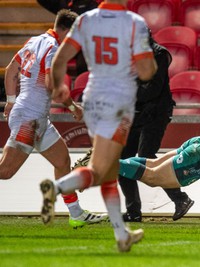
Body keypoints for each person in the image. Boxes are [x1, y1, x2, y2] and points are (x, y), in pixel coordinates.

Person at [39, 0, 157, 253]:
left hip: (92, 99)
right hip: (118, 103)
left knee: (110, 169)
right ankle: (56, 188)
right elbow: (147, 71)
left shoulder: (86, 20)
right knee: (101, 170)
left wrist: (59, 87)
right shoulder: (134, 23)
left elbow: (59, 61)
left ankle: (120, 234)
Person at [1, 9, 107, 228]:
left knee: (62, 161)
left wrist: (11, 100)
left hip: (35, 117)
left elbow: (12, 68)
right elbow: (52, 84)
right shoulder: (53, 48)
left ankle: (75, 213)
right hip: (30, 120)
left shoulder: (35, 41)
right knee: (6, 171)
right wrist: (72, 106)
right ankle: (76, 213)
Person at [118, 30, 194, 222]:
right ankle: (133, 211)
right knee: (122, 162)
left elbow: (154, 89)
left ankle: (180, 199)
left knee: (146, 157)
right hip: (135, 112)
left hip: (156, 112)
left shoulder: (159, 54)